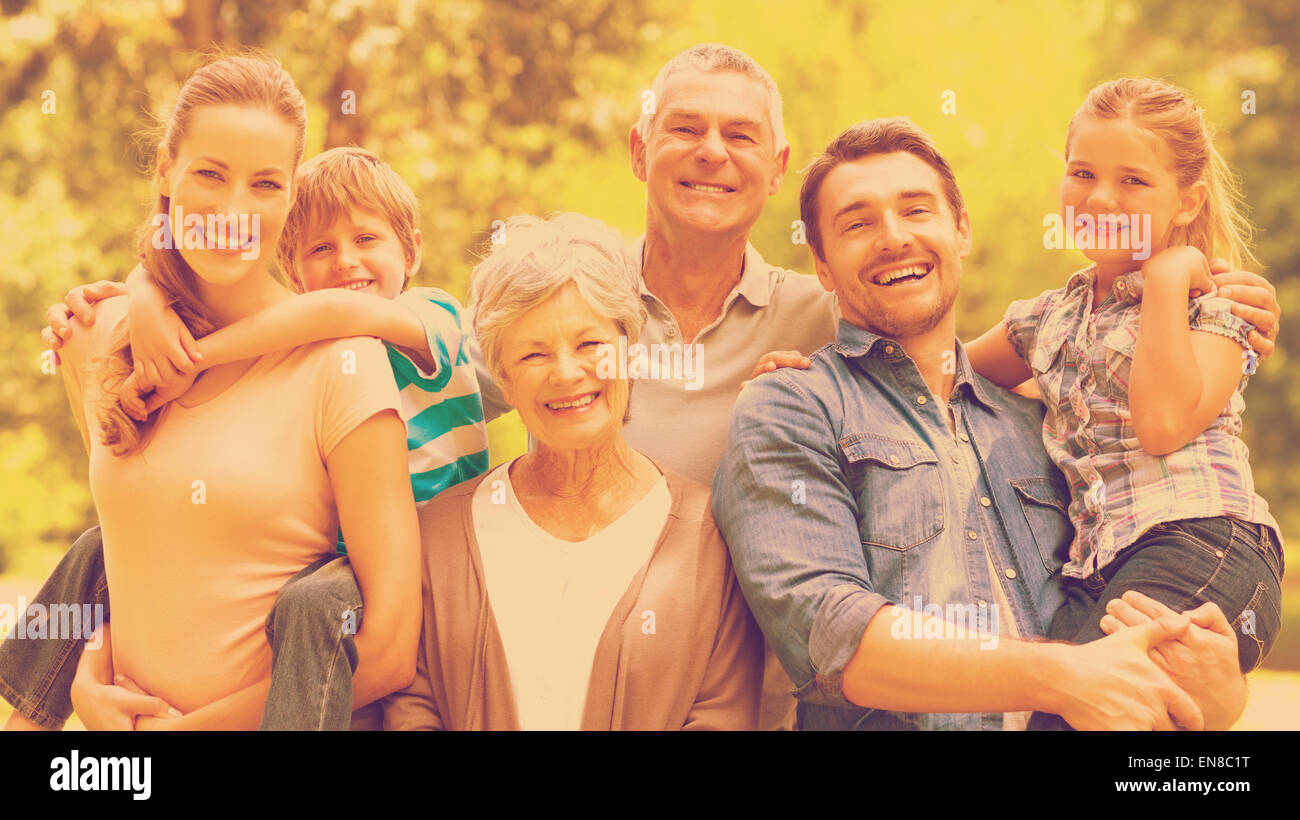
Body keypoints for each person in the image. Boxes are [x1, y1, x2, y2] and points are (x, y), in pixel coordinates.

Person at [713, 117, 1253, 731]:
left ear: (961, 230)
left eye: (917, 210)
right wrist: (1068, 676)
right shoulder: (792, 407)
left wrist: (1218, 697)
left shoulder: (1044, 423)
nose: (894, 238)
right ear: (824, 267)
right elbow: (832, 635)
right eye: (858, 223)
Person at [0, 54, 421, 730]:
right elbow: (133, 549)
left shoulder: (343, 367)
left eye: (264, 184)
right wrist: (87, 672)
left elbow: (390, 652)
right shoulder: (97, 337)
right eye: (209, 174)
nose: (233, 211)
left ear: (290, 197)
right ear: (165, 171)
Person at [961, 78, 1283, 728]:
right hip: (1098, 569)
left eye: (1133, 181)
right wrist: (810, 368)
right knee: (1051, 711)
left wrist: (1165, 281)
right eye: (1083, 172)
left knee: (1083, 712)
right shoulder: (1045, 319)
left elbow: (1162, 424)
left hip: (1205, 544)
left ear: (1186, 201)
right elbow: (943, 376)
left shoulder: (1216, 308)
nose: (1101, 197)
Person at [382, 213, 765, 730]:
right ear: (505, 380)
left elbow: (724, 714)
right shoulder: (442, 531)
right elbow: (413, 705)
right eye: (534, 353)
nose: (566, 374)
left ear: (629, 352)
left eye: (589, 345)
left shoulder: (711, 538)